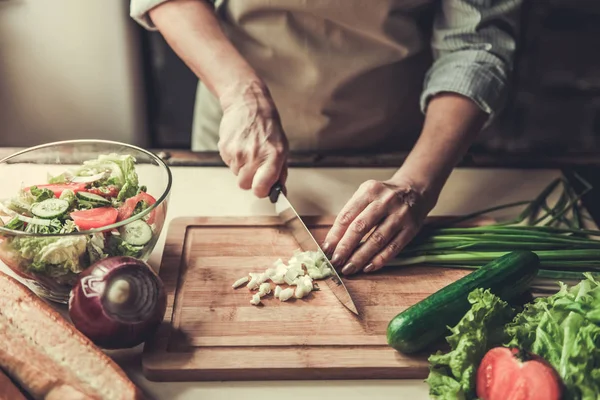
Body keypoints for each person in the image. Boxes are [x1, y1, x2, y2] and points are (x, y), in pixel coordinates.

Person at [130, 0, 521, 276]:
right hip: (237, 119)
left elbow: (475, 47)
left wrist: (415, 184)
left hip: (394, 143)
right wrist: (241, 93)